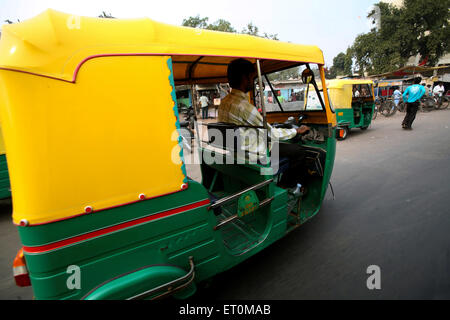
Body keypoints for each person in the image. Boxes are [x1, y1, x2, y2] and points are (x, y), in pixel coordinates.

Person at [218, 58, 310, 188]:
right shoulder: (245, 108)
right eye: (252, 77)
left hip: (235, 153)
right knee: (299, 151)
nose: (253, 81)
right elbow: (272, 134)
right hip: (254, 157)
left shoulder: (224, 103)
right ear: (245, 78)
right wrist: (296, 131)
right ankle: (287, 189)